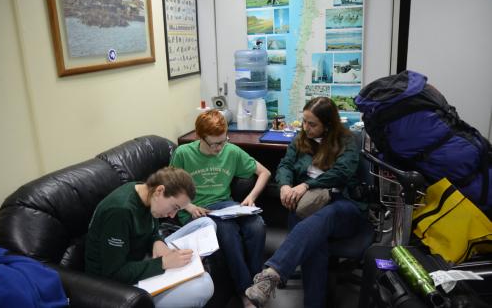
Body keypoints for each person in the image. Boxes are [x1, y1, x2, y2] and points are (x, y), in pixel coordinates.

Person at [245, 97, 369, 307]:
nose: (306, 127)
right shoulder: (300, 139)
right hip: (306, 204)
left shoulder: (347, 140)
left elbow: (342, 172)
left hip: (342, 204)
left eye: (312, 124)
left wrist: (307, 185)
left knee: (323, 218)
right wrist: (285, 185)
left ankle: (272, 274)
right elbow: (285, 165)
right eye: (304, 121)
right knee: (315, 244)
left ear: (328, 125)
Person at [170, 109, 271, 308]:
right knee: (228, 230)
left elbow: (264, 172)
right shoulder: (183, 153)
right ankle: (245, 292)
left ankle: (257, 284)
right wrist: (188, 206)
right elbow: (169, 187)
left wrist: (250, 197)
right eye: (214, 143)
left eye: (223, 141)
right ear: (199, 136)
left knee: (257, 225)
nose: (219, 148)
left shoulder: (230, 151)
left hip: (225, 205)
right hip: (195, 209)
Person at [85, 167, 215, 308]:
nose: (172, 215)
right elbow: (114, 273)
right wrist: (163, 263)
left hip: (142, 255)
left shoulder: (147, 193)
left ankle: (187, 269)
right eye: (174, 207)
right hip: (117, 285)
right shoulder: (120, 212)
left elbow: (151, 229)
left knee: (206, 224)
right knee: (204, 285)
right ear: (159, 191)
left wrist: (157, 241)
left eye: (178, 210)